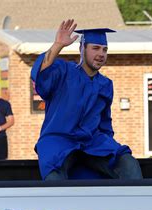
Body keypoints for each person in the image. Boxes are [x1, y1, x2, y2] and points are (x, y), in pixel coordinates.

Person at [30, 19, 142, 180]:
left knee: (127, 162)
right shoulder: (64, 71)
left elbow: (105, 123)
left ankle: (133, 204)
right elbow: (40, 75)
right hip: (59, 139)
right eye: (95, 48)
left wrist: (109, 148)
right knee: (54, 176)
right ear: (82, 49)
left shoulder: (105, 84)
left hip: (92, 142)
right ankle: (58, 206)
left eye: (104, 50)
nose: (101, 54)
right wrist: (58, 45)